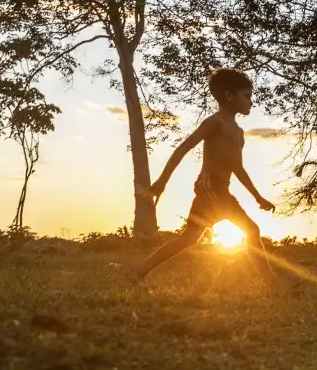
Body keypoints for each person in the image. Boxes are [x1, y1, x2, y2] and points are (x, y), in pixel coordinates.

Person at [123, 68, 290, 293]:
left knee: (189, 238)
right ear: (229, 96)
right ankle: (275, 287)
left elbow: (237, 167)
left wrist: (258, 197)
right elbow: (183, 148)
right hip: (210, 189)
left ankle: (137, 271)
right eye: (246, 96)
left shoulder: (238, 132)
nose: (250, 101)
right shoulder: (215, 123)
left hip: (220, 190)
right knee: (251, 230)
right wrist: (162, 181)